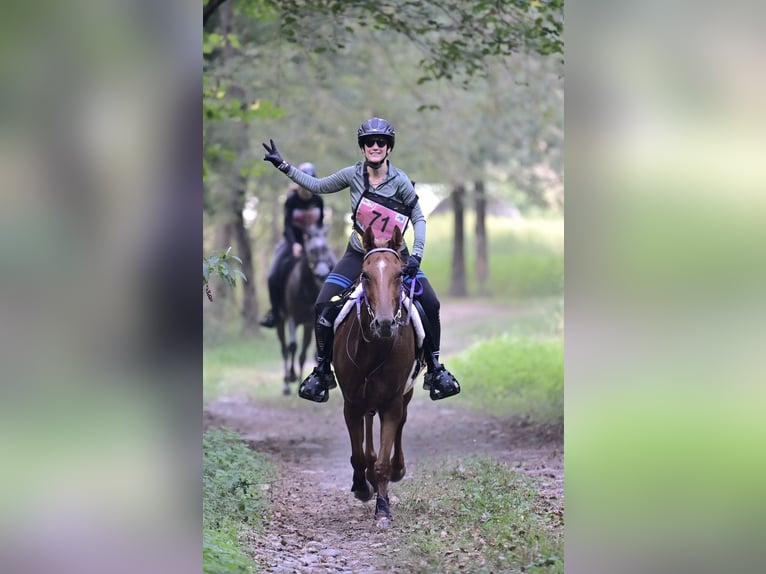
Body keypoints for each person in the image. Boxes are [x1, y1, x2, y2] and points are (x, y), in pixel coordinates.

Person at [262, 117, 461, 402]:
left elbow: (418, 217)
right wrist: (284, 166)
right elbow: (317, 185)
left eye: (381, 142)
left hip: (396, 256)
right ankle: (321, 371)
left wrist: (416, 255)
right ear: (363, 147)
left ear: (389, 148)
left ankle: (435, 370)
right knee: (322, 304)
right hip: (359, 253)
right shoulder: (352, 174)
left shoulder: (400, 180)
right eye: (370, 142)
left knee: (430, 303)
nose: (375, 146)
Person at [259, 162, 325, 328]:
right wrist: (295, 244)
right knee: (272, 275)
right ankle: (275, 313)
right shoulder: (291, 200)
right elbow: (287, 226)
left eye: (310, 180)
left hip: (314, 244)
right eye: (303, 180)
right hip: (292, 243)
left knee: (332, 267)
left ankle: (329, 310)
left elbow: (320, 225)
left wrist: (316, 240)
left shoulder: (318, 200)